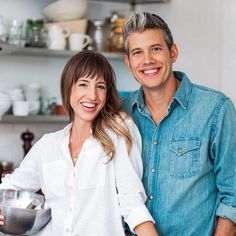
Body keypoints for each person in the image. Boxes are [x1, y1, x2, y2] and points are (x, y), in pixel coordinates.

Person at [0, 51, 158, 236]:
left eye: (100, 86)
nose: (92, 95)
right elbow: (10, 188)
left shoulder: (117, 134)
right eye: (83, 84)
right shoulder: (47, 145)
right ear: (68, 89)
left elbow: (133, 205)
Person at [122, 11, 236, 235]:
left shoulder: (216, 109)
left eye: (156, 49)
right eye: (137, 52)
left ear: (172, 52)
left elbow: (233, 194)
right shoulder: (120, 114)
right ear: (128, 62)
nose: (148, 60)